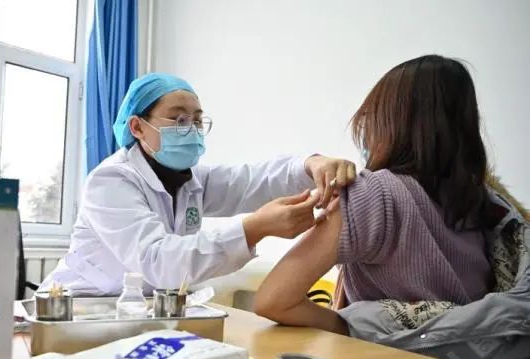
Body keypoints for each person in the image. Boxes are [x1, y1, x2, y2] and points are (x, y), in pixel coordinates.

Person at [40, 72, 356, 295]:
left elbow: (251, 180)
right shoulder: (111, 181)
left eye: (196, 120)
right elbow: (158, 261)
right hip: (79, 307)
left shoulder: (192, 179)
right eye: (178, 119)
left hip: (141, 310)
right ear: (137, 126)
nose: (191, 128)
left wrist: (311, 164)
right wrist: (255, 228)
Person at [254, 55, 492, 333]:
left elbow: (273, 300)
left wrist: (353, 327)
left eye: (371, 116)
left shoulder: (372, 193)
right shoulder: (485, 201)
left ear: (392, 122)